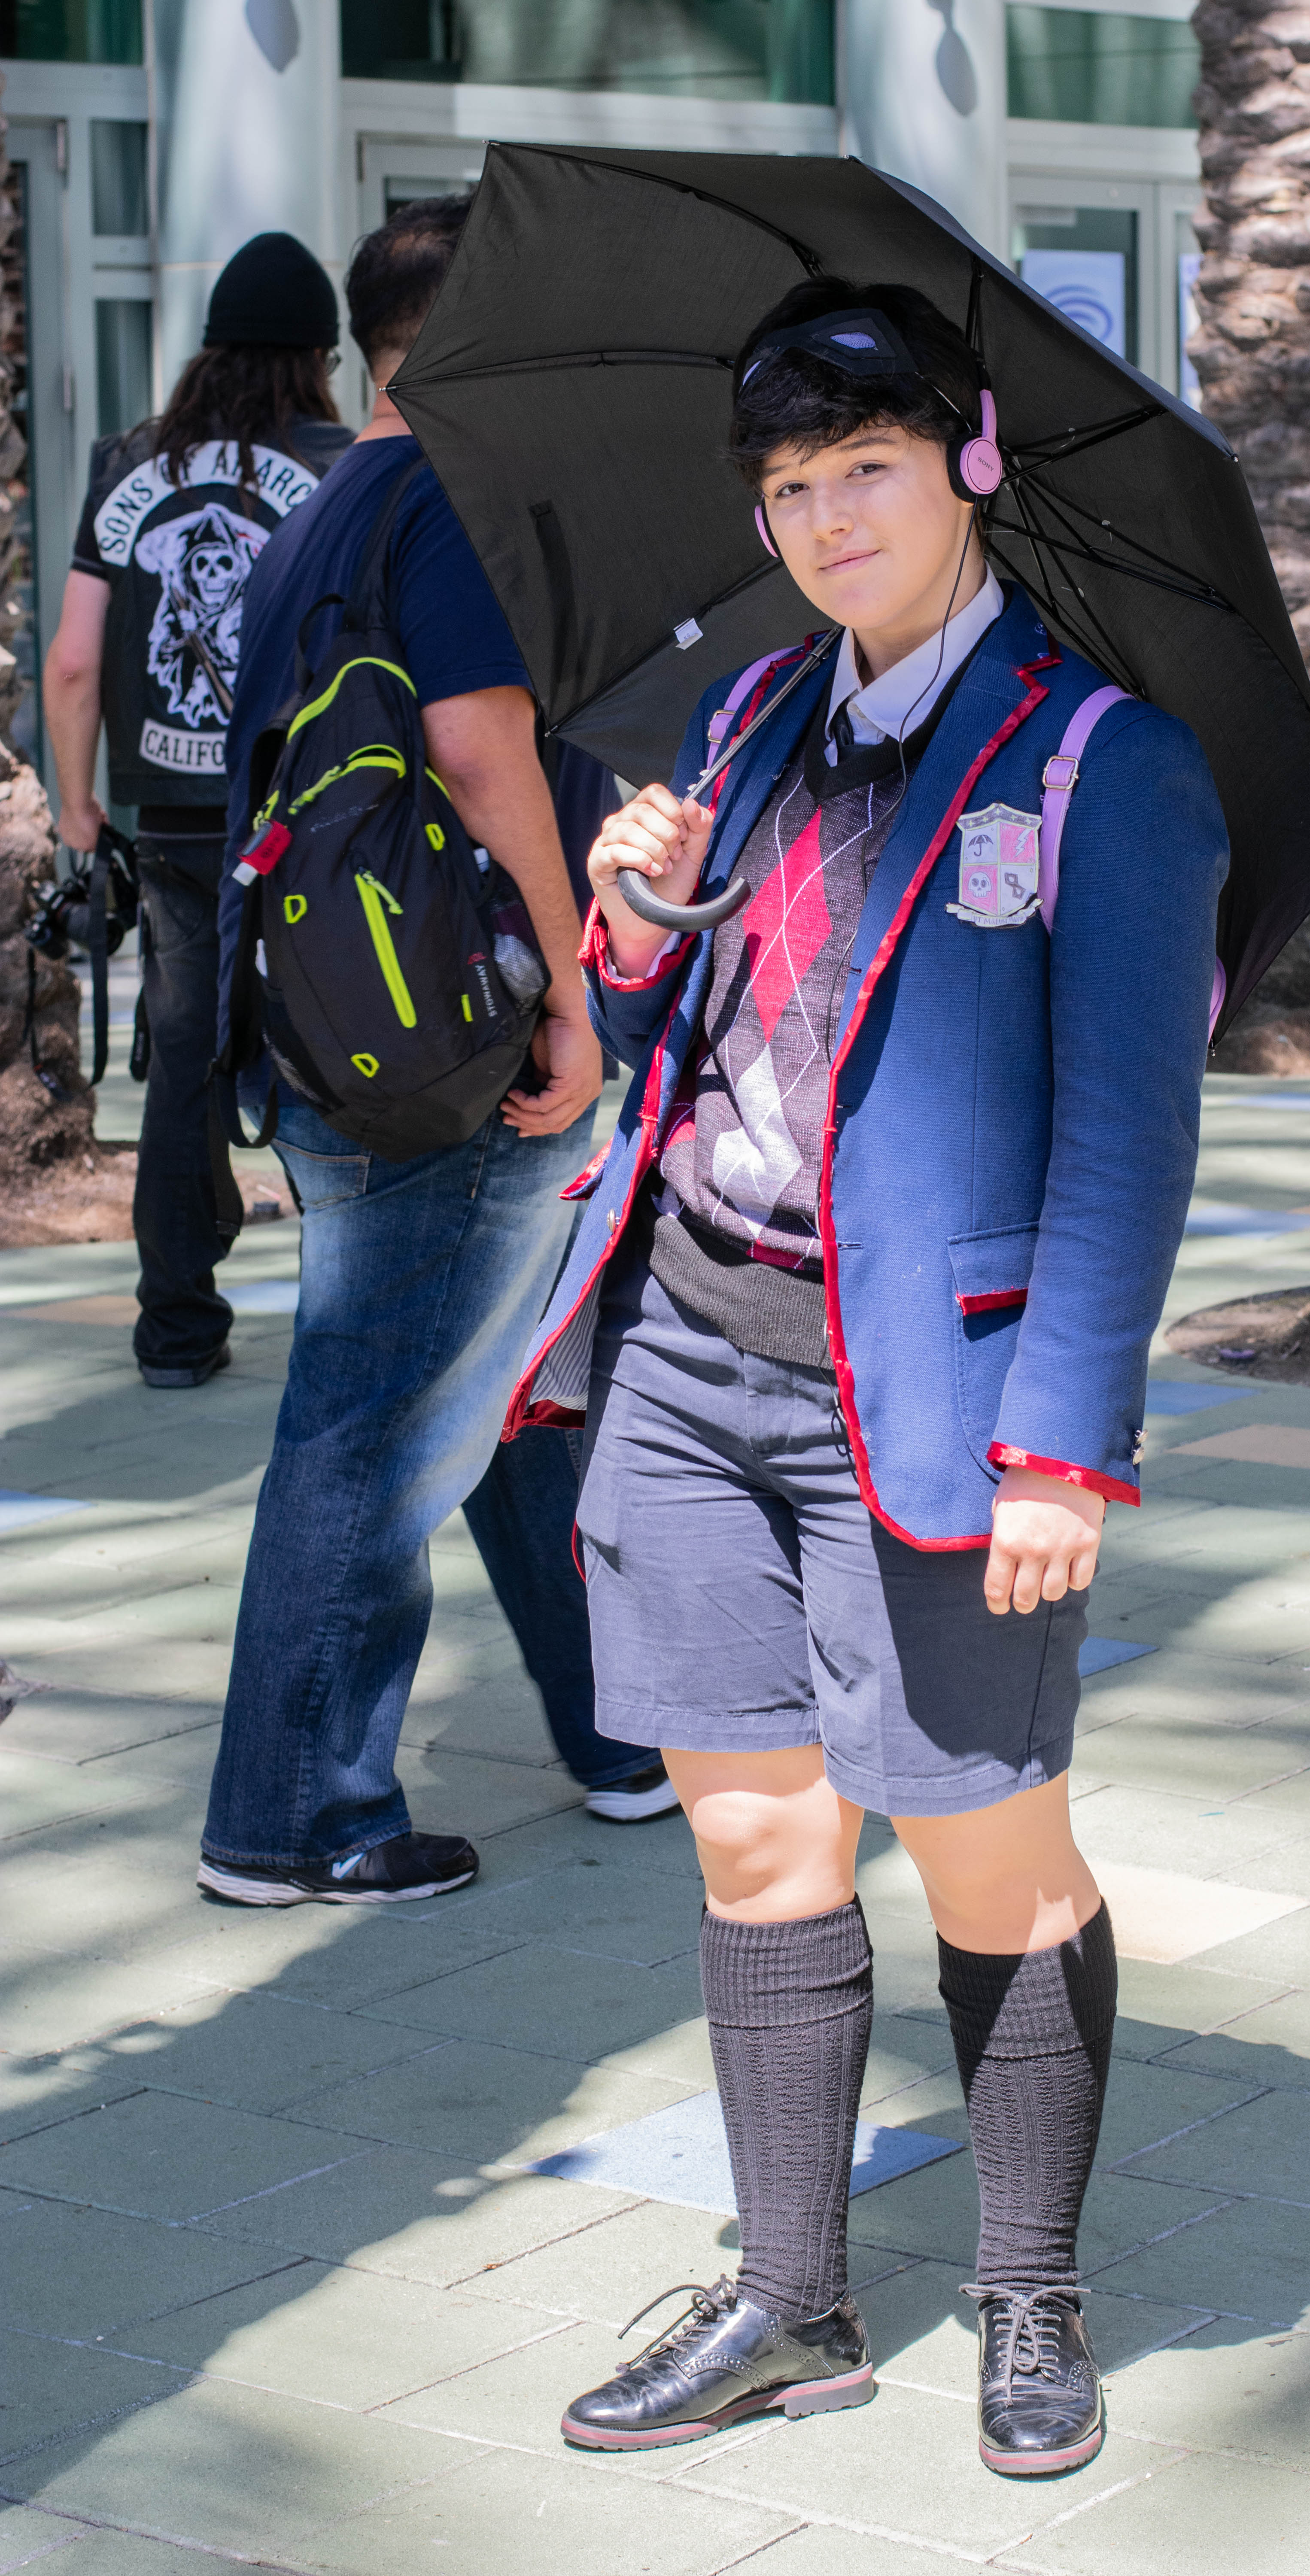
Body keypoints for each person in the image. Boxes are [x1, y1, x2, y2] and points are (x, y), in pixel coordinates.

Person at [525, 282, 1228, 2476]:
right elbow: (682, 1040)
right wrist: (635, 921)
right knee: (752, 1843)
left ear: (966, 464)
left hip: (931, 1413)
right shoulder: (744, 728)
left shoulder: (1105, 764)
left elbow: (1130, 1131)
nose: (824, 521)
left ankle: (1029, 2297)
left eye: (863, 473)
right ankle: (793, 2304)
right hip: (692, 1352)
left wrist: (1063, 1443)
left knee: (983, 1845)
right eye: (789, 488)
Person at [195, 196, 677, 1914]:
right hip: (463, 1040)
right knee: (380, 1416)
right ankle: (296, 1813)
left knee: (490, 1388)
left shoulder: (319, 509)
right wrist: (569, 988)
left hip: (348, 1032)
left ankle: (622, 1732)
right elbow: (479, 757)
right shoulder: (457, 498)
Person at [43, 231, 351, 1389]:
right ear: (321, 354)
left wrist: (80, 803)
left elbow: (73, 664)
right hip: (311, 812)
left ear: (210, 345)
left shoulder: (130, 463)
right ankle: (345, 1325)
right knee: (332, 1048)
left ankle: (176, 1327)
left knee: (182, 1060)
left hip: (174, 821)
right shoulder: (337, 464)